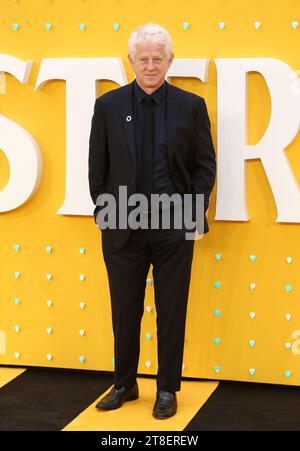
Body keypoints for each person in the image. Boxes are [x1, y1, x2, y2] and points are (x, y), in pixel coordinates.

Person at [88, 22, 216, 419]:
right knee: (124, 309)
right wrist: (105, 212)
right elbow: (97, 167)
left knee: (172, 309)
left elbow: (204, 166)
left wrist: (191, 213)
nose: (149, 66)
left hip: (173, 226)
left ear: (170, 61)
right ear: (130, 61)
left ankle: (166, 389)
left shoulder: (190, 106)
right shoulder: (108, 106)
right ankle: (124, 384)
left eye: (157, 59)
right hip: (122, 225)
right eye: (142, 59)